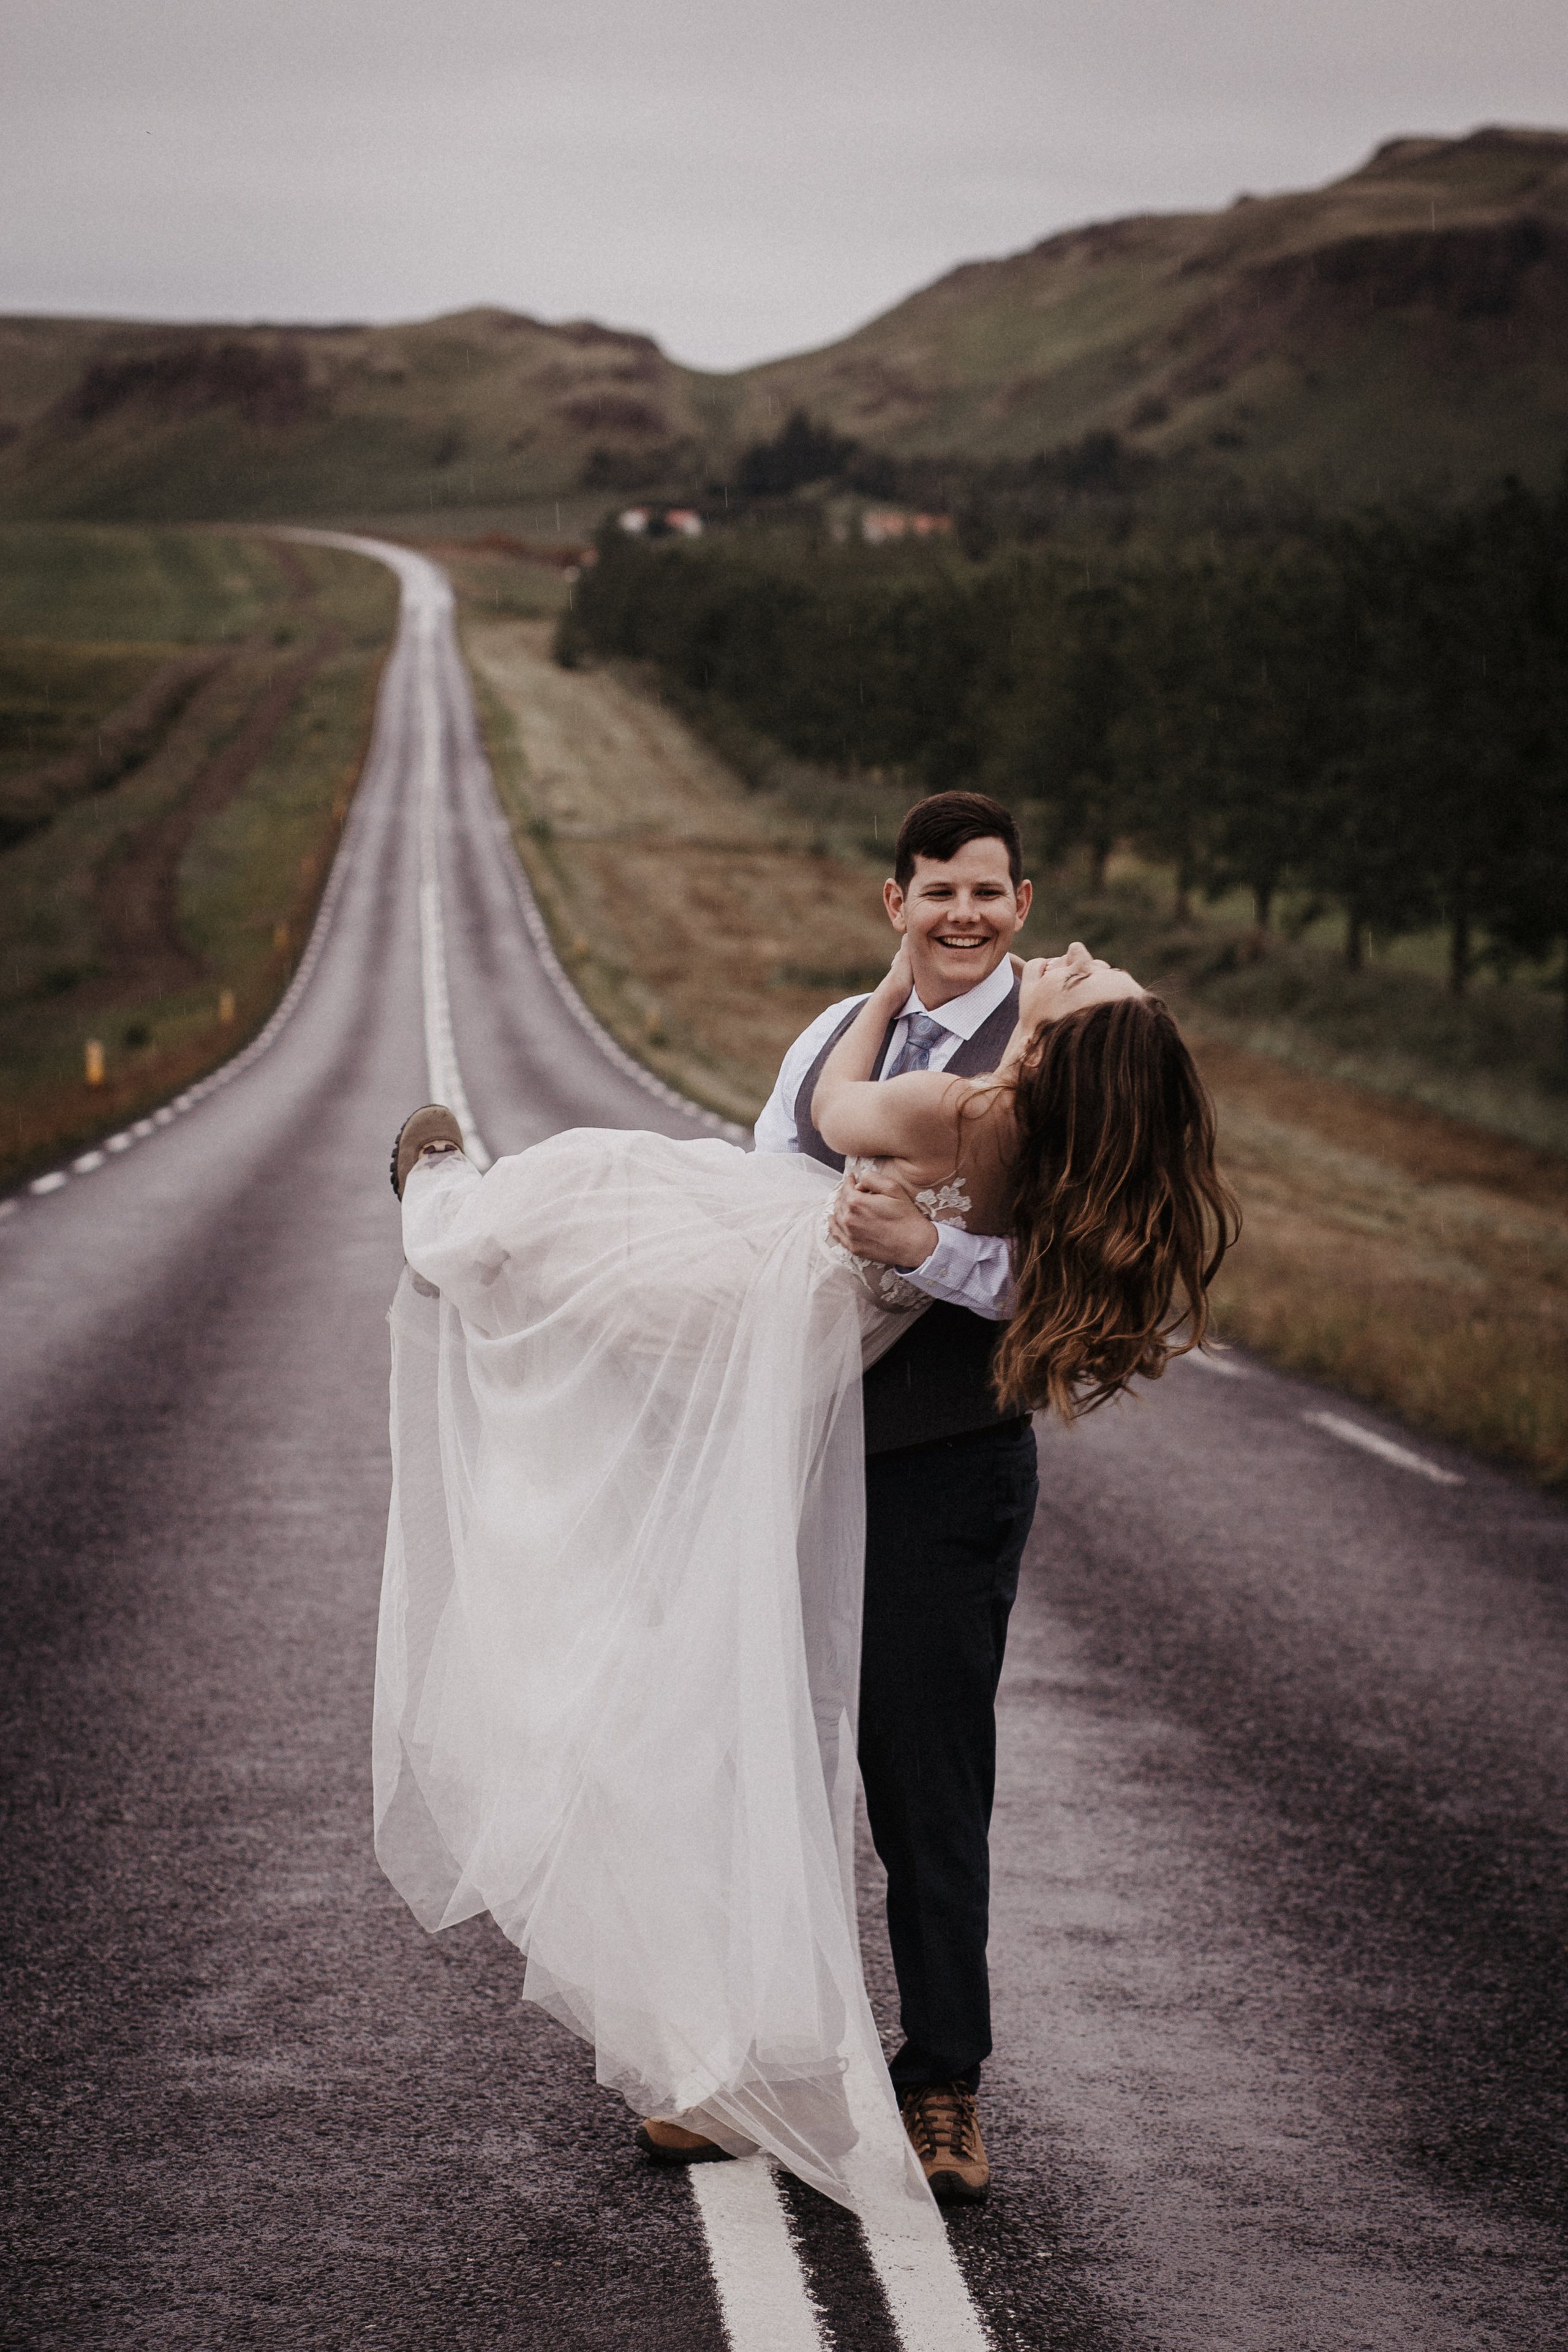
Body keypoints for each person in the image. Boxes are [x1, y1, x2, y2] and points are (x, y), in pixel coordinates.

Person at [374, 802, 1235, 2231]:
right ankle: (716, 2063)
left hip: (938, 1461)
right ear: (892, 899)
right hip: (783, 1441)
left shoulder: (1083, 1056)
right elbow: (773, 1185)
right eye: (934, 895)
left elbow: (1085, 1283)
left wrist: (942, 1253)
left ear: (1019, 908)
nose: (963, 917)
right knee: (716, 1743)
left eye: (989, 898)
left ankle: (941, 2081)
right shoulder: (846, 1026)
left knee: (922, 1774)